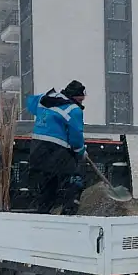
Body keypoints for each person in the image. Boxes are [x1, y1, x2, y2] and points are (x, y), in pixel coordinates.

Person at [26, 80, 87, 215]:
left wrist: (46, 118)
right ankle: (69, 210)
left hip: (36, 150)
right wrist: (81, 151)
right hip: (54, 150)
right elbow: (76, 136)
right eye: (81, 100)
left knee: (49, 182)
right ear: (75, 97)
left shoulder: (45, 99)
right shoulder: (74, 110)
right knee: (74, 176)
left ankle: (44, 210)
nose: (82, 103)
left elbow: (30, 103)